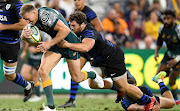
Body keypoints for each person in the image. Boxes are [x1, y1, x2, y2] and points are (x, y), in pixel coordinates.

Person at [58, 11, 158, 111]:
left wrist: (66, 45)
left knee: (124, 87)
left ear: (83, 24)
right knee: (92, 84)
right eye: (70, 25)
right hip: (99, 59)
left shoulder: (89, 33)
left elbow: (85, 48)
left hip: (113, 58)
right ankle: (116, 88)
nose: (71, 28)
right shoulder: (77, 28)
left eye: (74, 26)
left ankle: (149, 100)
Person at [20, 4, 104, 111]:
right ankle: (51, 107)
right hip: (56, 44)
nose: (27, 22)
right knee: (43, 71)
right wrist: (23, 36)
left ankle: (92, 74)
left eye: (27, 19)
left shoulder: (45, 16)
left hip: (69, 44)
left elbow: (65, 30)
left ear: (34, 12)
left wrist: (49, 43)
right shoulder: (33, 19)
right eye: (25, 20)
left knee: (77, 78)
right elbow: (33, 41)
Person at [58, 0, 103, 107]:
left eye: (79, 0)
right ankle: (72, 100)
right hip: (83, 48)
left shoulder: (89, 12)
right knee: (75, 72)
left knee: (107, 71)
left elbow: (99, 28)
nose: (76, 2)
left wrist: (89, 39)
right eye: (75, 0)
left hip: (93, 48)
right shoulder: (75, 12)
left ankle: (126, 76)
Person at [0, 0, 34, 103]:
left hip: (10, 44)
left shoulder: (17, 4)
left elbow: (24, 24)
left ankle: (27, 85)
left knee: (9, 74)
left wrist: (4, 27)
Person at [154, 10, 180, 105]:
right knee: (158, 76)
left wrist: (175, 60)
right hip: (168, 55)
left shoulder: (178, 30)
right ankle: (167, 96)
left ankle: (176, 98)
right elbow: (159, 41)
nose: (165, 21)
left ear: (173, 19)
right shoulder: (161, 28)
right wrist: (156, 53)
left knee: (172, 80)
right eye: (164, 18)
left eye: (168, 19)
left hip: (178, 57)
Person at [20, 31, 51, 102]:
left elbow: (49, 45)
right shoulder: (31, 30)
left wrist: (37, 50)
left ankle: (38, 96)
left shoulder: (45, 34)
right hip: (31, 57)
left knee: (35, 76)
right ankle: (37, 83)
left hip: (40, 58)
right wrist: (25, 52)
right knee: (24, 75)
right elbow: (28, 41)